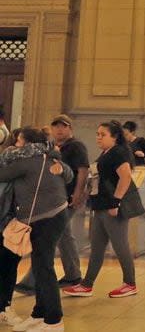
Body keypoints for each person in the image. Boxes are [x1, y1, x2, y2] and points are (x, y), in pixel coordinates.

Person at [0, 127, 72, 332]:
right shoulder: (47, 156)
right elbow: (68, 174)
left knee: (44, 268)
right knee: (41, 266)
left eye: (19, 141)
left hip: (47, 218)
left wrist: (7, 154)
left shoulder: (28, 161)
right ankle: (39, 314)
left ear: (29, 143)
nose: (16, 145)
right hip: (51, 216)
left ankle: (54, 320)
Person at [63, 121, 139, 299]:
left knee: (121, 246)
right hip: (100, 205)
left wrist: (116, 202)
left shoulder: (118, 153)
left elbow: (125, 177)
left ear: (115, 137)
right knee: (97, 247)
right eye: (97, 134)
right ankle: (87, 284)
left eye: (102, 134)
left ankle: (130, 283)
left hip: (112, 207)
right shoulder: (107, 153)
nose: (98, 137)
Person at [15, 115, 89, 295]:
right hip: (55, 199)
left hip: (66, 198)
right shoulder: (54, 147)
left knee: (48, 239)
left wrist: (78, 193)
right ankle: (73, 274)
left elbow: (83, 170)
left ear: (70, 128)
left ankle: (32, 281)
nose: (59, 130)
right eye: (55, 126)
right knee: (63, 236)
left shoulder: (76, 146)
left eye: (63, 127)